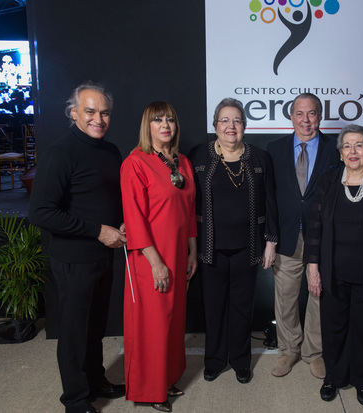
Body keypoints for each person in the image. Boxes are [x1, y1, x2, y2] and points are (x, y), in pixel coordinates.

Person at [29, 83, 126, 413]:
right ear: (74, 113)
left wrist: (122, 221)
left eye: (104, 112)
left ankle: (95, 381)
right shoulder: (61, 152)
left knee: (96, 326)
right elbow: (41, 212)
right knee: (73, 331)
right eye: (90, 111)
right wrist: (98, 230)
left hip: (103, 255)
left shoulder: (110, 151)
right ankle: (75, 399)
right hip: (72, 258)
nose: (98, 118)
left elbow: (107, 198)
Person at [304, 124, 363, 406]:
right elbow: (314, 228)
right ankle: (333, 376)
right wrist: (313, 267)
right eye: (347, 146)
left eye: (359, 145)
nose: (353, 151)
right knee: (333, 327)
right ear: (340, 152)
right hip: (333, 270)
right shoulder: (328, 181)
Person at [189, 97, 278, 384]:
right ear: (215, 125)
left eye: (236, 120)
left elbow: (271, 202)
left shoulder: (260, 158)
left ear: (244, 126)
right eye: (225, 120)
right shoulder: (198, 156)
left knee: (242, 308)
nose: (231, 126)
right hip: (209, 248)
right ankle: (214, 360)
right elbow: (186, 203)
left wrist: (271, 241)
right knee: (213, 307)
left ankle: (240, 361)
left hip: (248, 247)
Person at [120, 102, 197, 412]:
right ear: (147, 126)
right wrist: (155, 263)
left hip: (178, 253)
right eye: (158, 120)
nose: (165, 125)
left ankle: (166, 378)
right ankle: (149, 391)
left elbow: (189, 211)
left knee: (173, 321)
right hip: (150, 258)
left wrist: (191, 251)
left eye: (170, 120)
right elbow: (134, 218)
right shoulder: (135, 163)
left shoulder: (183, 163)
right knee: (150, 326)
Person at [266, 93, 339, 379]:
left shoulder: (336, 150)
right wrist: (270, 238)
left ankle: (314, 352)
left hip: (321, 237)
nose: (306, 120)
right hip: (286, 236)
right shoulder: (274, 149)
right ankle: (289, 350)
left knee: (318, 294)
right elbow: (269, 199)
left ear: (320, 117)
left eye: (312, 114)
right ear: (291, 116)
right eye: (300, 113)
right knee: (284, 298)